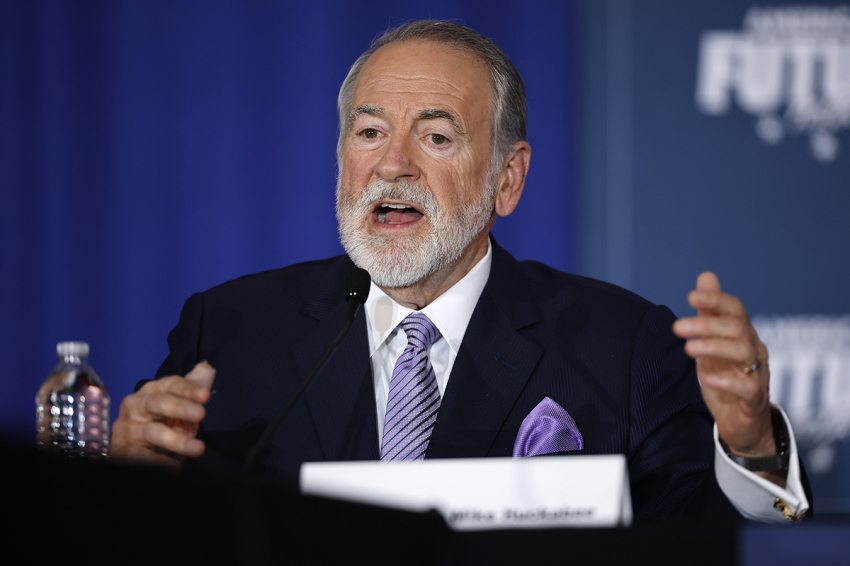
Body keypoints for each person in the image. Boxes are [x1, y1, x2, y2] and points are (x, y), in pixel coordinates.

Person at [111, 20, 810, 522]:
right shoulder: (231, 333)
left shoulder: (621, 346)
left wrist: (750, 448)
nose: (392, 164)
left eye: (437, 136)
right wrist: (128, 475)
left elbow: (696, 534)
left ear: (508, 180)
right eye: (370, 131)